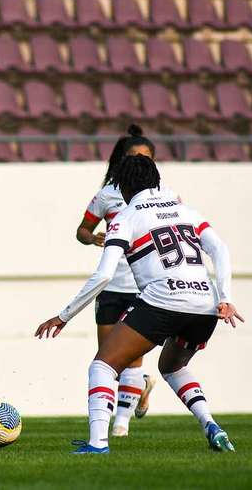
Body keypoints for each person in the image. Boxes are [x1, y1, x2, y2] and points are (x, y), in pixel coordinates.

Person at [36, 155, 243, 454]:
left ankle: (98, 443)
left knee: (103, 366)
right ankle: (211, 425)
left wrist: (64, 316)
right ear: (156, 179)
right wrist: (226, 298)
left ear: (122, 186)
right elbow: (220, 249)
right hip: (205, 305)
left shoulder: (126, 218)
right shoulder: (185, 210)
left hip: (163, 301)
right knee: (171, 367)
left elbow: (104, 275)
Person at [75, 124, 171, 436]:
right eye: (134, 156)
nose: (140, 161)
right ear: (122, 160)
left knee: (132, 357)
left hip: (143, 288)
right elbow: (82, 231)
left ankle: (121, 424)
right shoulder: (107, 195)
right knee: (108, 359)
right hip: (111, 287)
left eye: (146, 157)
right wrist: (92, 238)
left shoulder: (164, 197)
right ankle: (139, 387)